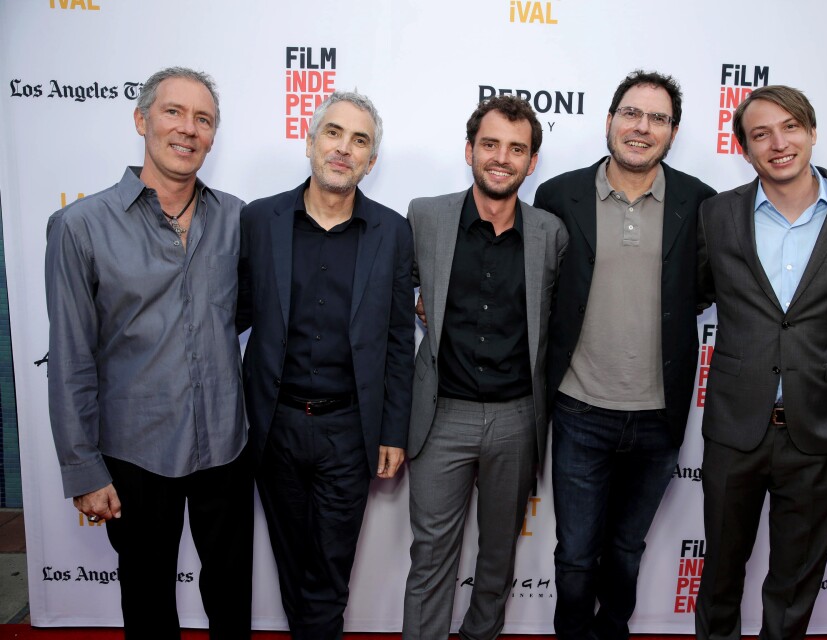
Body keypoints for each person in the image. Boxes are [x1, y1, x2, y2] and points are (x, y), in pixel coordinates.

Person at [45, 66, 252, 639]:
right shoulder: (79, 226)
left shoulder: (239, 218)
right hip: (136, 453)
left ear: (214, 135)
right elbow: (71, 358)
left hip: (226, 449)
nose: (188, 129)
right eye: (174, 112)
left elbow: (254, 309)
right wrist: (83, 468)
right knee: (148, 603)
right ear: (141, 120)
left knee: (232, 600)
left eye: (203, 119)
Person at [694, 85, 827, 640]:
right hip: (736, 427)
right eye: (761, 134)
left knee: (794, 583)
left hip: (826, 427)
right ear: (744, 147)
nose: (778, 143)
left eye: (789, 127)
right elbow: (690, 296)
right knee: (719, 577)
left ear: (810, 131)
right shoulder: (716, 214)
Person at [533, 69, 716, 640]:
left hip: (659, 417)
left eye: (657, 118)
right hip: (579, 409)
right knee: (576, 554)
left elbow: (704, 289)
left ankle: (613, 630)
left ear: (673, 131)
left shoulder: (699, 201)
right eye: (632, 114)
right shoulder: (558, 194)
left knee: (626, 549)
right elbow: (541, 284)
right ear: (610, 120)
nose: (642, 127)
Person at [236, 91, 413, 640]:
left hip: (348, 430)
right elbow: (230, 315)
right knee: (292, 565)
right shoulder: (258, 219)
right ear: (310, 143)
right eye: (333, 133)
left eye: (359, 140)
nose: (344, 148)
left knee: (330, 571)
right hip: (273, 426)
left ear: (371, 161)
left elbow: (399, 340)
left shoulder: (392, 231)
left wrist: (392, 429)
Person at [402, 95, 568, 640]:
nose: (503, 158)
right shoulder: (425, 215)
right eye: (491, 144)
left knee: (497, 562)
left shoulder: (551, 233)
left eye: (517, 149)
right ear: (469, 150)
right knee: (431, 560)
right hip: (441, 413)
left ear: (532, 161)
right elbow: (390, 298)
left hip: (518, 418)